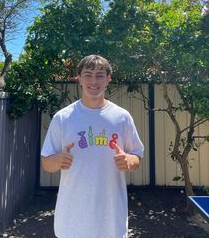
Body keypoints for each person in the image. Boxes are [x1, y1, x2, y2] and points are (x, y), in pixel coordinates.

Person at [41, 55, 144, 238]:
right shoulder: (63, 118)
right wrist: (57, 160)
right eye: (88, 75)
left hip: (111, 219)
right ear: (78, 78)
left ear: (108, 79)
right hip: (71, 221)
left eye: (100, 75)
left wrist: (129, 160)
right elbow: (47, 164)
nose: (93, 81)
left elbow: (137, 157)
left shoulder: (122, 117)